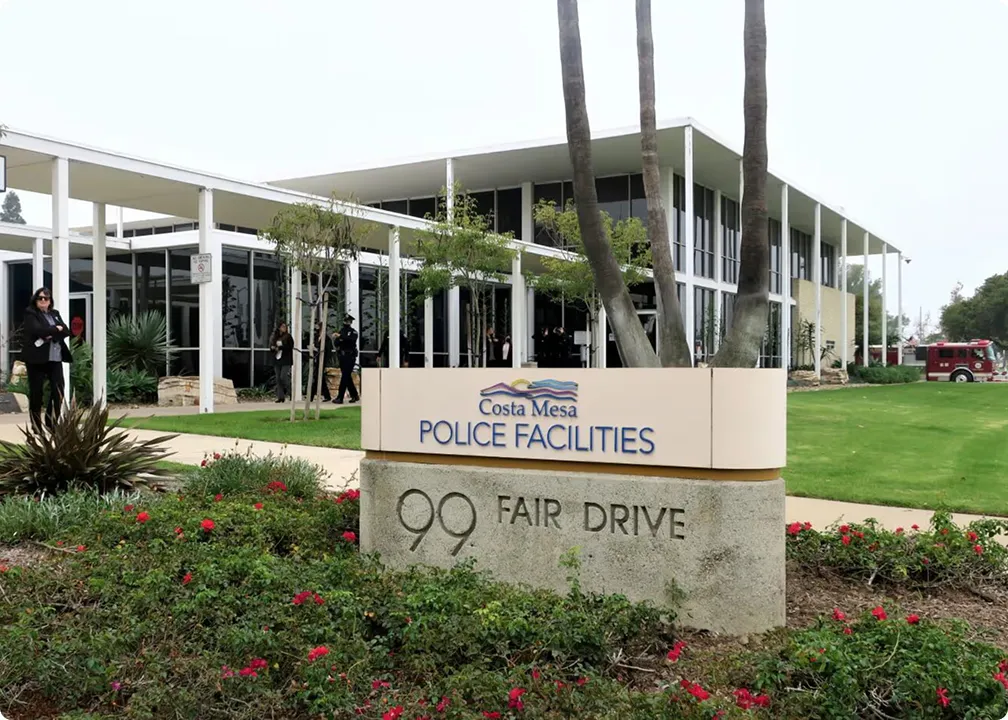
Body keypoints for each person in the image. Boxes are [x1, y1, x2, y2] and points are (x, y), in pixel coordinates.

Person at [20, 287, 73, 432]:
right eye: (40, 298)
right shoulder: (31, 313)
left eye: (46, 298)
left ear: (50, 301)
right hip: (36, 359)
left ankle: (51, 421)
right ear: (36, 300)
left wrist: (51, 333)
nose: (43, 301)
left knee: (58, 389)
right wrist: (56, 329)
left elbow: (67, 331)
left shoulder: (54, 314)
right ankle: (36, 425)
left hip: (55, 358)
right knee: (37, 392)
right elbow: (37, 330)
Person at [333, 314, 360, 404]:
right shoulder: (342, 331)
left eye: (348, 321)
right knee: (347, 376)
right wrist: (341, 338)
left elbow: (351, 340)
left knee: (345, 376)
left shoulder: (353, 332)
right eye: (345, 320)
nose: (346, 322)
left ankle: (340, 397)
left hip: (350, 356)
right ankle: (354, 395)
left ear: (351, 322)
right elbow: (336, 343)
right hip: (342, 356)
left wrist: (341, 338)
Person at [307, 322, 333, 402]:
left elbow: (327, 350)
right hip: (317, 358)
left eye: (318, 327)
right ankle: (327, 395)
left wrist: (317, 349)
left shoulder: (326, 338)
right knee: (319, 378)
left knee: (317, 377)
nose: (317, 329)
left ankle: (310, 396)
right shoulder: (317, 337)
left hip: (322, 359)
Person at [268, 322, 294, 403]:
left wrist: (281, 347)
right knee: (278, 379)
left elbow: (290, 347)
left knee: (284, 377)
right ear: (279, 327)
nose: (284, 328)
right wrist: (273, 348)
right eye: (282, 326)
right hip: (277, 359)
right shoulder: (275, 337)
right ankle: (280, 397)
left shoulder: (288, 336)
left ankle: (291, 393)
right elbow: (271, 347)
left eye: (285, 327)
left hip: (285, 359)